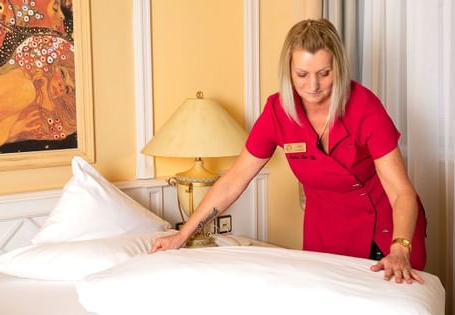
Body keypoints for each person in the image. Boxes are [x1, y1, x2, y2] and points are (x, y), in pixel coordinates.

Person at [152, 18, 427, 285]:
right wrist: (183, 235)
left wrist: (400, 247)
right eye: (302, 75)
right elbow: (234, 181)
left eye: (324, 73)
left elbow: (401, 191)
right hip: (326, 232)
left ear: (339, 68)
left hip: (386, 231)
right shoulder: (277, 112)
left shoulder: (365, 108)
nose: (313, 86)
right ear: (289, 70)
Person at [0, 34, 76, 148]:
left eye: (67, 89)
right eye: (62, 74)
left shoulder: (28, 99)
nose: (62, 86)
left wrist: (15, 131)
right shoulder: (25, 88)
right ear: (49, 64)